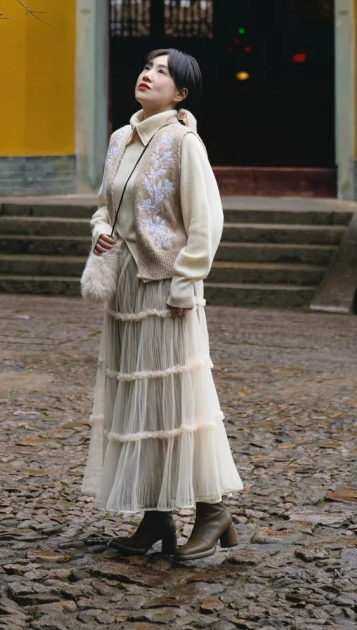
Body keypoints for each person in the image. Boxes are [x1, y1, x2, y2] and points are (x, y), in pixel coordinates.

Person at [82, 47, 242, 564]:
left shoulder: (182, 141)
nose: (149, 75)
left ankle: (213, 510)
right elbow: (105, 205)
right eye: (147, 67)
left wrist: (186, 284)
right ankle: (155, 515)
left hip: (167, 292)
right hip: (126, 292)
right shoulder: (119, 138)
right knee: (138, 405)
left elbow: (206, 222)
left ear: (182, 93)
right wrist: (102, 231)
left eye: (163, 73)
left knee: (180, 401)